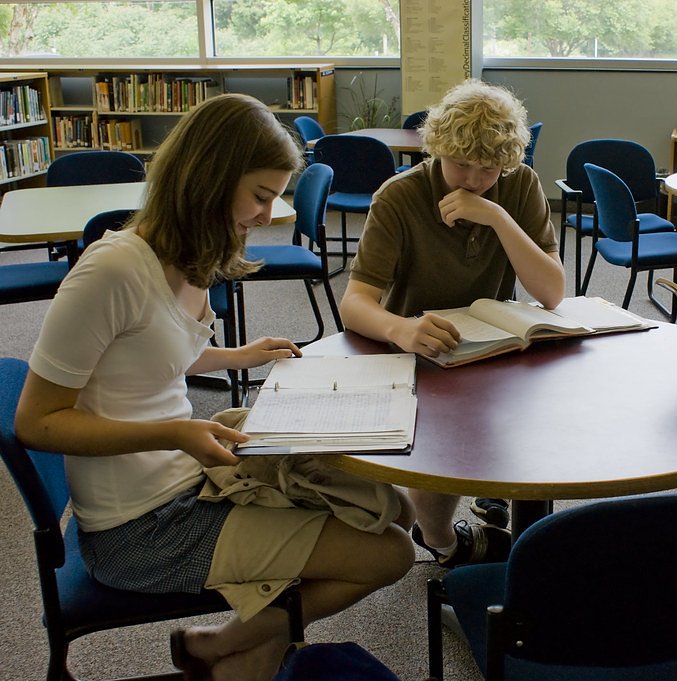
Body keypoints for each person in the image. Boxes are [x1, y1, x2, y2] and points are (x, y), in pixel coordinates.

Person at [15, 93, 415, 681]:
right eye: (260, 195)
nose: (267, 214)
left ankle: (234, 651)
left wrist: (236, 356)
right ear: (208, 179)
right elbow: (36, 422)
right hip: (139, 527)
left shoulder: (190, 256)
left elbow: (146, 354)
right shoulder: (111, 271)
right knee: (391, 552)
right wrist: (176, 433)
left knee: (396, 508)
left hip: (187, 475)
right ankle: (233, 648)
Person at [339, 79, 565, 567]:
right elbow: (355, 303)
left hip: (495, 344)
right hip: (418, 348)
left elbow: (551, 292)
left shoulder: (520, 184)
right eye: (461, 164)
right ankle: (441, 542)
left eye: (489, 169)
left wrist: (498, 217)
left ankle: (493, 500)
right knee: (442, 452)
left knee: (528, 425)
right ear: (438, 148)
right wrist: (400, 328)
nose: (474, 179)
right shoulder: (399, 196)